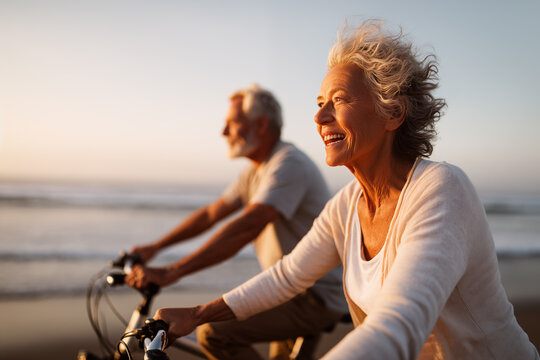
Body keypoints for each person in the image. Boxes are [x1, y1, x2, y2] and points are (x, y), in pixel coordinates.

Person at [150, 20, 540, 359]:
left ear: (393, 113)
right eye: (320, 103)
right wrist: (198, 314)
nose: (320, 117)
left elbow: (400, 320)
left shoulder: (441, 189)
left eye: (339, 100)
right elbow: (287, 276)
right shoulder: (347, 206)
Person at [125, 84, 348, 359]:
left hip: (314, 296)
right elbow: (211, 214)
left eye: (231, 123)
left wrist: (172, 272)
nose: (223, 132)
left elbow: (247, 226)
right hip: (288, 289)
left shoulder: (288, 164)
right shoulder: (256, 170)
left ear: (261, 125)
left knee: (214, 334)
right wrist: (155, 248)